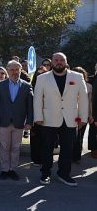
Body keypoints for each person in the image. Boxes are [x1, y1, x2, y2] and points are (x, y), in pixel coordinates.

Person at [34, 52, 88, 187]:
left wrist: (83, 117)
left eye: (62, 60)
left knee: (67, 149)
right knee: (47, 148)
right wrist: (38, 116)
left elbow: (83, 99)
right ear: (52, 62)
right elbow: (37, 99)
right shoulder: (42, 78)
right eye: (56, 60)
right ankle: (45, 173)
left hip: (70, 119)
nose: (59, 62)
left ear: (66, 61)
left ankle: (64, 174)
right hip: (48, 119)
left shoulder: (77, 76)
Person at [0, 61, 33, 180]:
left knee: (15, 147)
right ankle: (4, 169)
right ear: (8, 71)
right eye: (12, 70)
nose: (14, 72)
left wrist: (29, 121)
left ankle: (12, 169)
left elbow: (30, 106)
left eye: (16, 70)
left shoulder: (26, 86)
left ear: (20, 70)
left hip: (19, 122)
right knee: (4, 147)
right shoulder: (0, 85)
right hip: (3, 122)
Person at [29, 58, 52, 165]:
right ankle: (35, 158)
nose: (46, 66)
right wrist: (40, 74)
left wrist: (47, 74)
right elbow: (32, 89)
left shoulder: (53, 76)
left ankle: (45, 159)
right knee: (35, 137)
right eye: (44, 64)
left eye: (48, 65)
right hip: (36, 112)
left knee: (47, 138)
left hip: (49, 113)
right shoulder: (38, 75)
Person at [71, 67, 93, 163]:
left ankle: (76, 156)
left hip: (83, 113)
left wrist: (90, 114)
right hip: (71, 113)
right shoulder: (69, 84)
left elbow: (90, 101)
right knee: (71, 136)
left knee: (80, 135)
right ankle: (69, 155)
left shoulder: (88, 86)